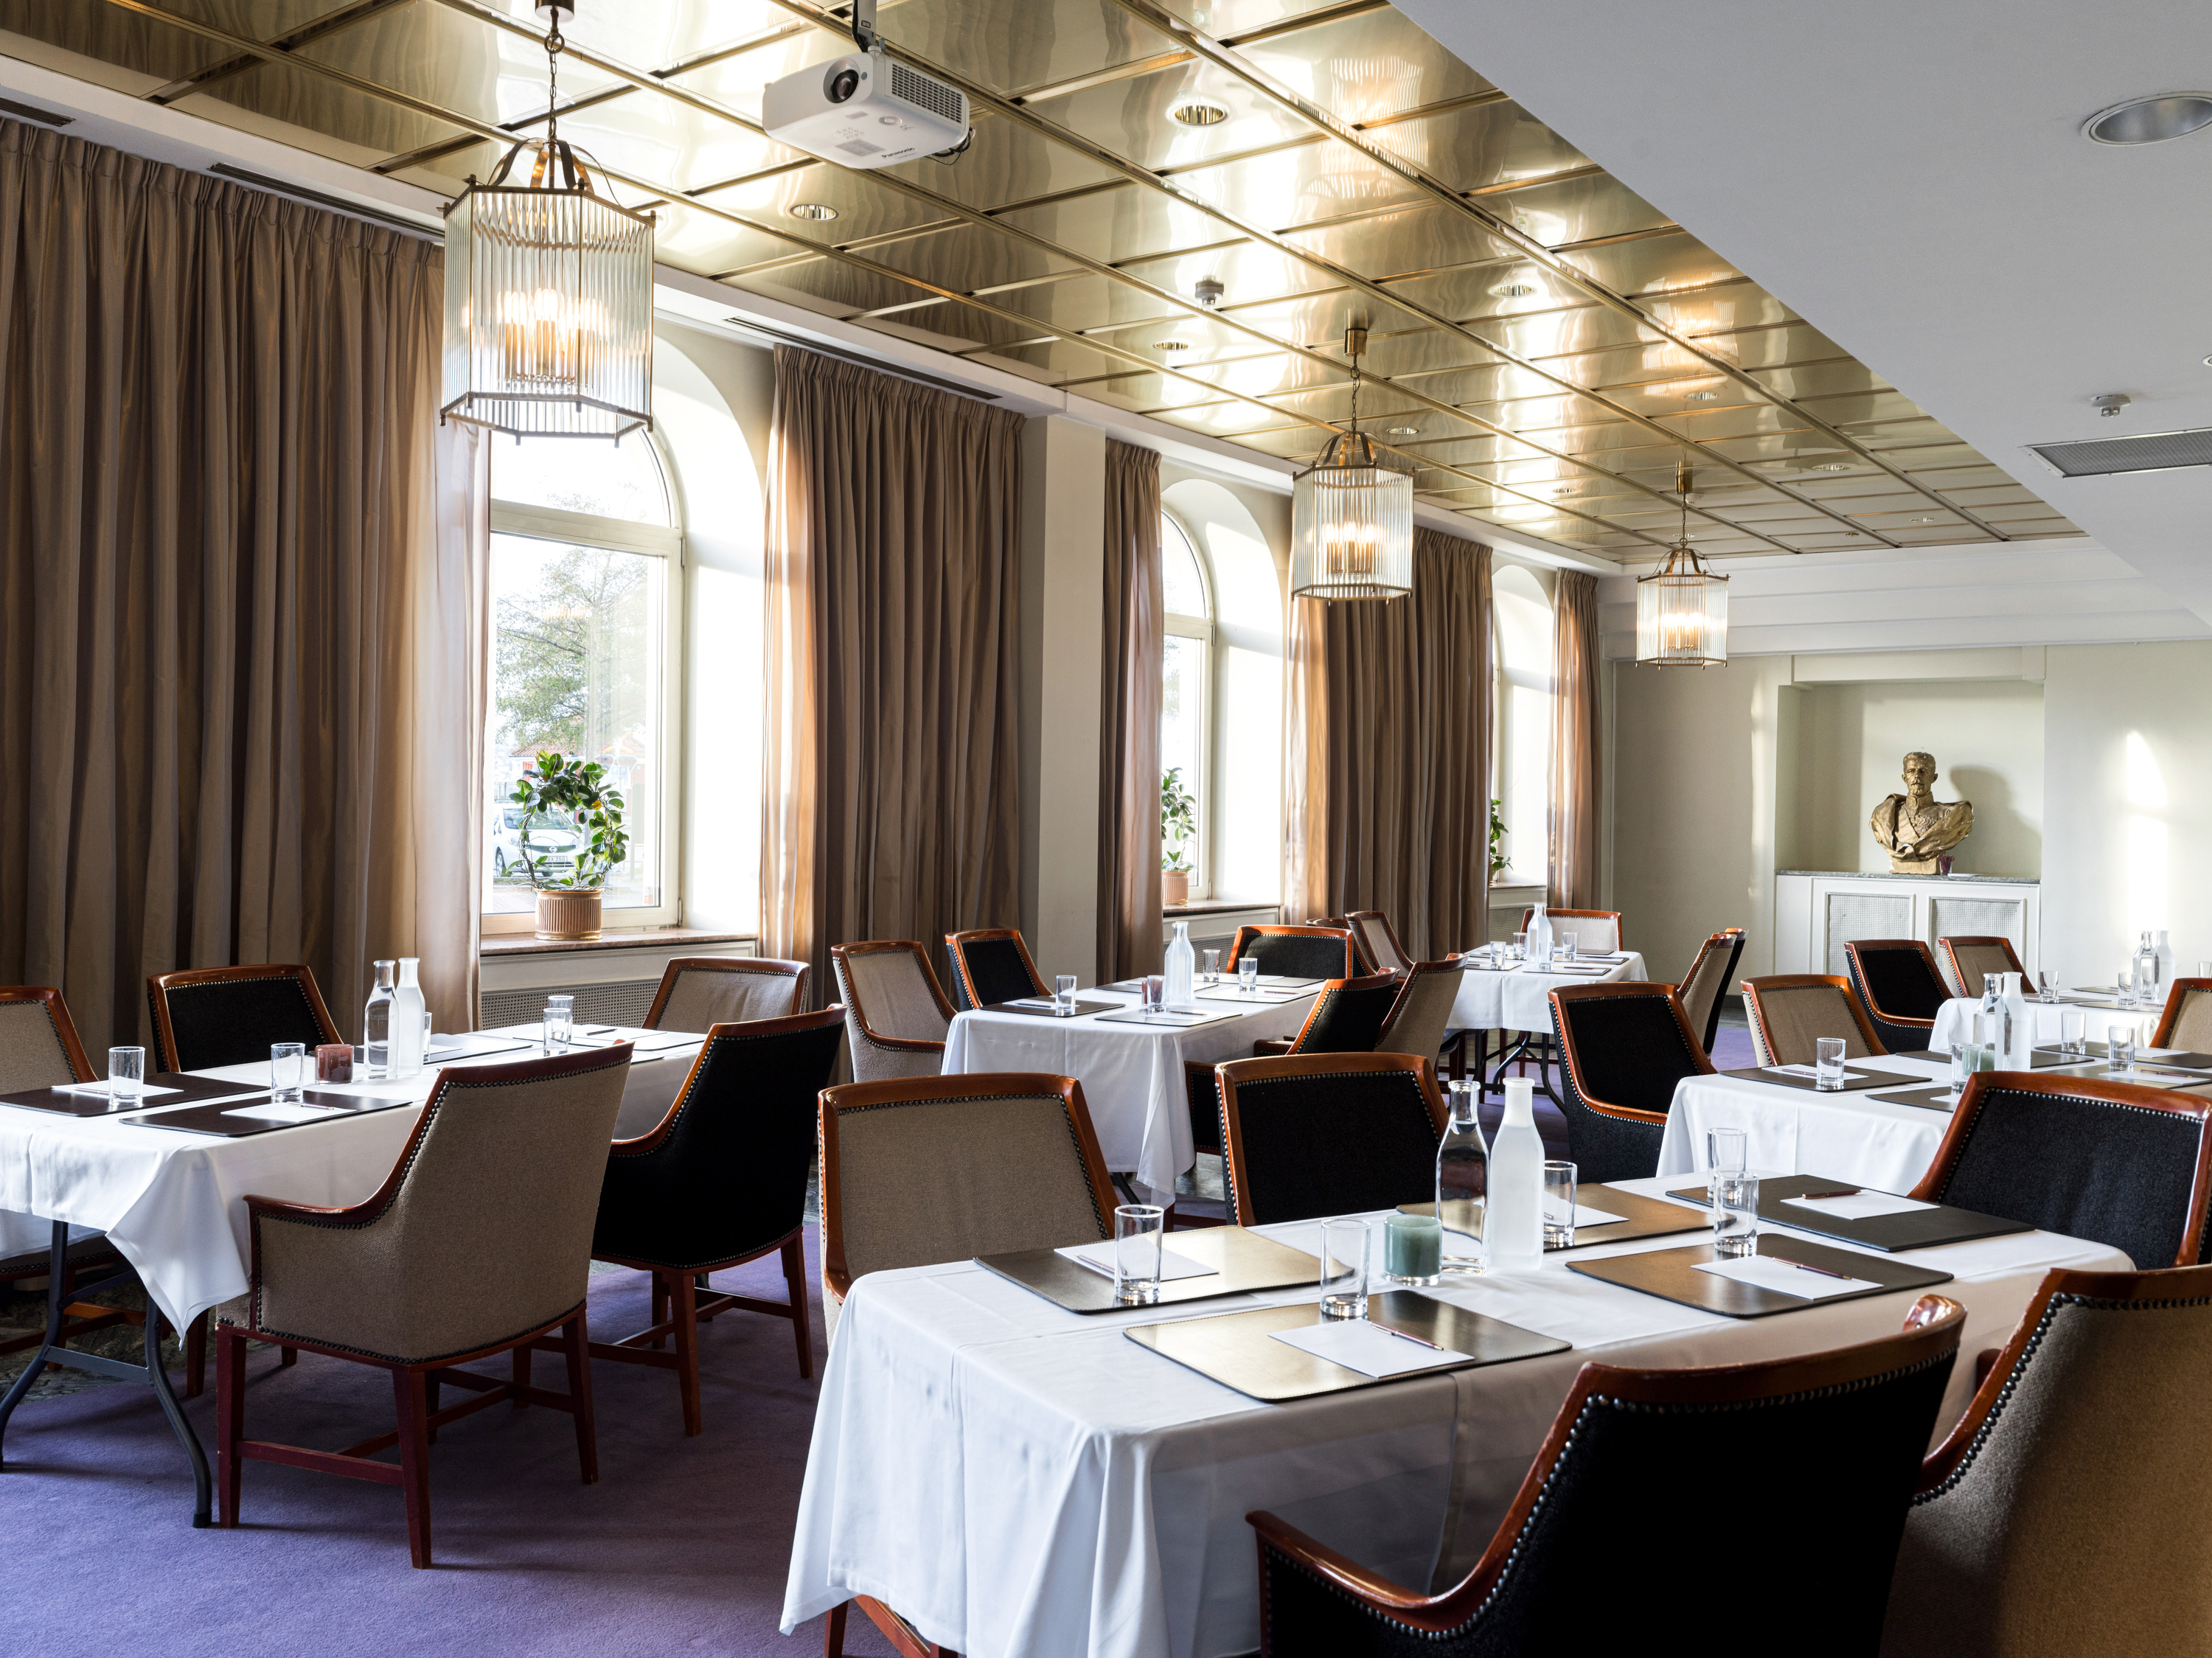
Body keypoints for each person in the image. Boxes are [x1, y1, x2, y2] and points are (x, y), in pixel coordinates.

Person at [1869, 750, 1973, 874]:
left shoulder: (1951, 815)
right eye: (1911, 771)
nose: (1917, 776)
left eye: (1923, 771)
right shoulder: (1884, 815)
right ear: (1904, 778)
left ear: (1934, 778)